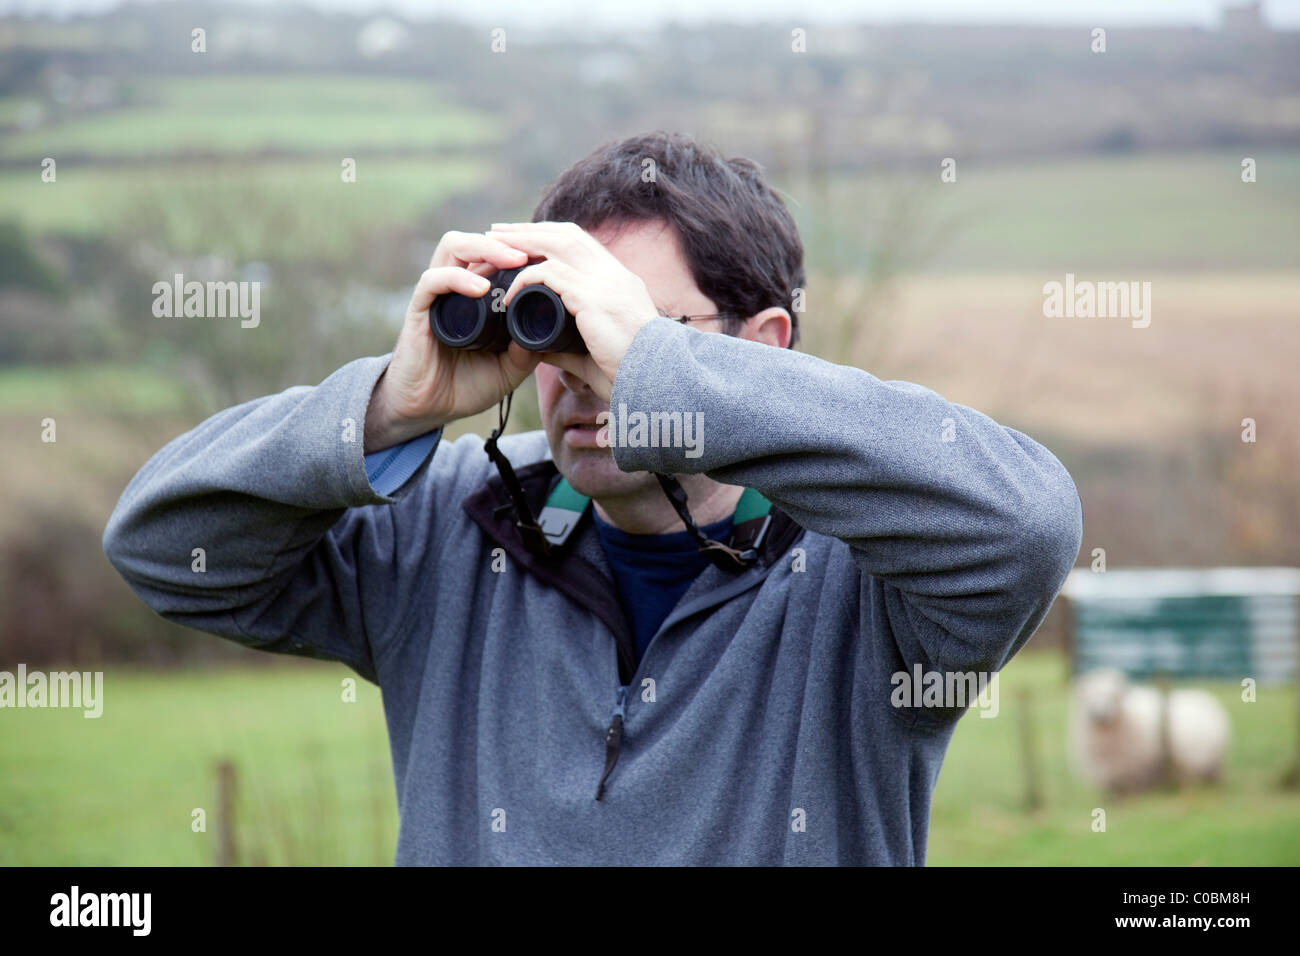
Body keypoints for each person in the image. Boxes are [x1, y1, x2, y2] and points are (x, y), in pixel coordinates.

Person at [103, 130, 1083, 865]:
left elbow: (1025, 525)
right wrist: (385, 410)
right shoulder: (449, 530)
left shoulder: (873, 580)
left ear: (762, 349)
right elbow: (163, 544)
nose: (583, 368)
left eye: (633, 327)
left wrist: (668, 378)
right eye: (559, 327)